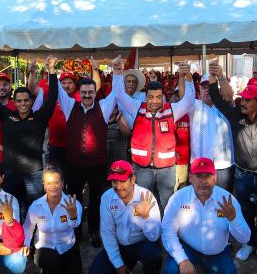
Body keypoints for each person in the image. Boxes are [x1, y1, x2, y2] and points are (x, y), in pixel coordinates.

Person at [209, 66, 257, 266]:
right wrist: (215, 76)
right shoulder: (235, 116)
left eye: (248, 100)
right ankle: (248, 244)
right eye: (243, 99)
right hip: (243, 176)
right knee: (245, 211)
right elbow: (216, 97)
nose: (243, 102)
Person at [162, 158, 250, 274]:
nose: (203, 181)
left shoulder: (227, 200)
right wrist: (182, 260)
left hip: (217, 253)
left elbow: (245, 238)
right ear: (190, 178)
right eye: (198, 176)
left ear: (215, 177)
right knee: (170, 272)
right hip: (189, 249)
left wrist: (233, 218)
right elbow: (168, 231)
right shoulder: (179, 198)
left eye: (207, 176)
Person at [112, 57, 195, 208]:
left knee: (167, 205)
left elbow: (189, 101)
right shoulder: (137, 107)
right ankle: (145, 231)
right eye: (150, 97)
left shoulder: (171, 110)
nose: (154, 101)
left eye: (158, 97)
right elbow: (119, 95)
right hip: (142, 169)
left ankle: (165, 231)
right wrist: (117, 73)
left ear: (163, 97)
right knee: (143, 205)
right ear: (145, 97)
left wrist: (188, 78)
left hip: (166, 170)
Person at [57, 58, 117, 248]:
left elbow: (117, 92)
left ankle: (93, 230)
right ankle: (74, 230)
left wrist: (116, 71)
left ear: (95, 92)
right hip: (74, 163)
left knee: (96, 199)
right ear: (79, 93)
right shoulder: (69, 106)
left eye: (91, 92)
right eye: (84, 93)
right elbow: (57, 90)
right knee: (73, 198)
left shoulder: (104, 107)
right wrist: (51, 71)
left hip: (97, 164)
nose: (88, 95)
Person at [88, 161, 162, 274]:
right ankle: (126, 269)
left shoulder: (146, 196)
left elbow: (154, 236)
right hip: (121, 244)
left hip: (143, 243)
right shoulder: (107, 198)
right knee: (96, 273)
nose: (118, 186)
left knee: (154, 256)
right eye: (114, 181)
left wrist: (146, 217)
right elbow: (107, 233)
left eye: (122, 181)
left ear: (133, 179)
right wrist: (118, 264)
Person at [0, 56, 59, 217]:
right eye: (19, 100)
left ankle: (32, 239)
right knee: (11, 211)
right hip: (10, 172)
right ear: (13, 102)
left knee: (33, 211)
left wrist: (52, 71)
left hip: (34, 174)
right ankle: (14, 239)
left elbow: (52, 97)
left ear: (31, 101)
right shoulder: (6, 116)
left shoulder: (39, 118)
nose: (23, 103)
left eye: (26, 100)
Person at [23, 168, 82, 274]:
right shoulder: (36, 205)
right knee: (52, 262)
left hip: (67, 246)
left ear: (62, 183)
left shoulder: (73, 203)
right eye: (49, 183)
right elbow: (28, 226)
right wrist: (26, 243)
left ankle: (60, 271)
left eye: (56, 182)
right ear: (44, 185)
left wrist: (72, 215)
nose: (53, 186)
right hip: (45, 248)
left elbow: (75, 224)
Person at [190, 69, 234, 190]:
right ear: (199, 92)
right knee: (201, 202)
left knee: (222, 202)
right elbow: (183, 96)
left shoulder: (225, 105)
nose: (207, 90)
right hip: (199, 165)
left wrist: (220, 76)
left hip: (223, 165)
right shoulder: (193, 106)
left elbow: (230, 95)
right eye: (204, 87)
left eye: (210, 87)